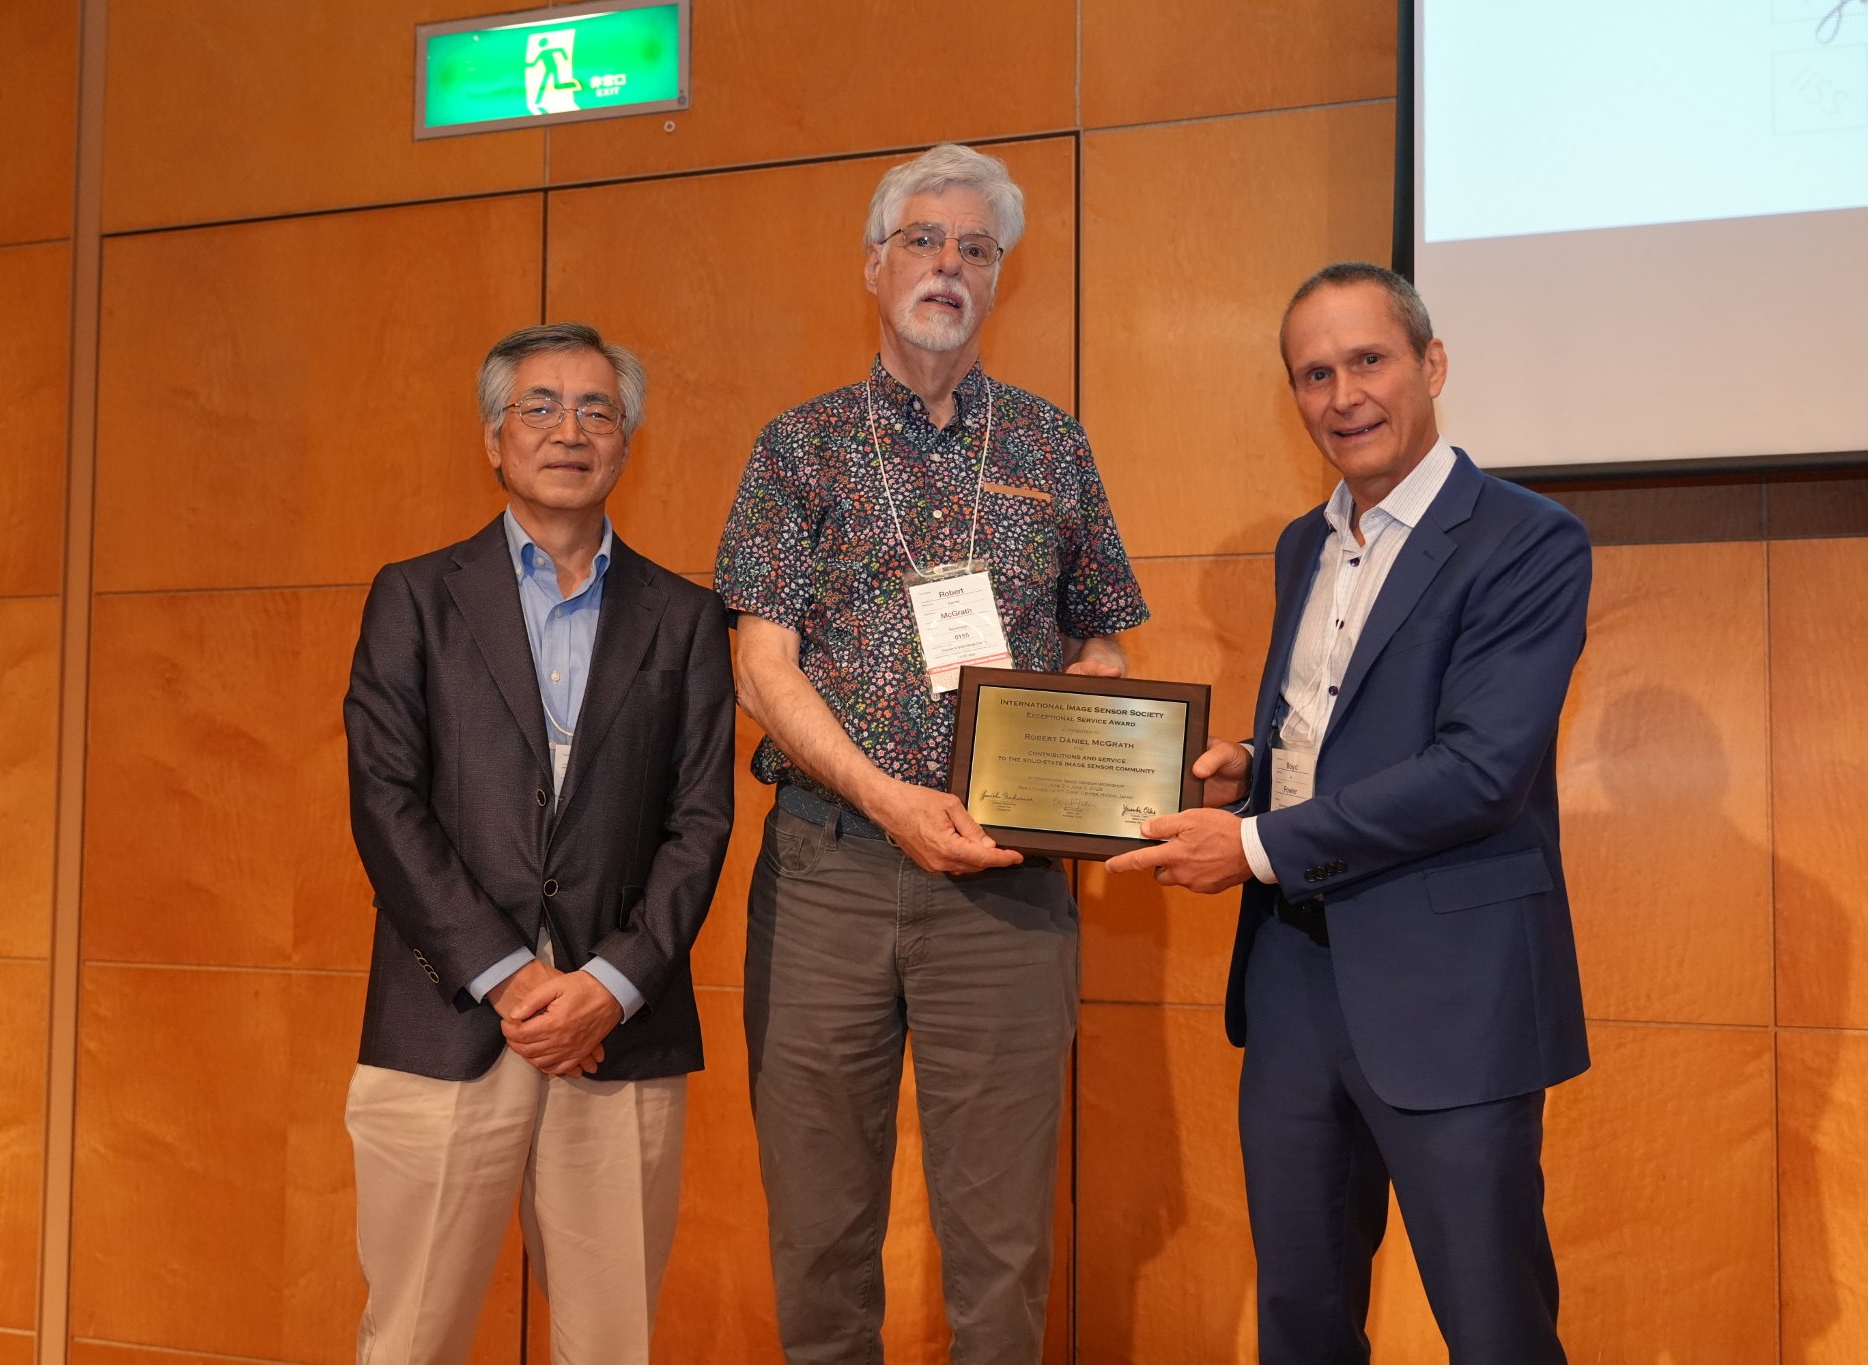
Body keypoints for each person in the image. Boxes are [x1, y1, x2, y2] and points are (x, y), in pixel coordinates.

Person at [1108, 262, 1591, 1364]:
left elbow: (1478, 772)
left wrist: (1253, 843)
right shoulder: (1303, 542)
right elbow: (1331, 727)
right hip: (1292, 980)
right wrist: (1247, 770)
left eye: (1368, 360)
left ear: (1431, 364)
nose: (1342, 396)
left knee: (1494, 1326)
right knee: (1302, 1317)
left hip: (1450, 989)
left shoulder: (1527, 539)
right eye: (1313, 374)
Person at [716, 143, 1149, 1364]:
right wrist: (888, 798)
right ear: (873, 265)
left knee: (1000, 1248)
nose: (946, 264)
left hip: (1005, 889)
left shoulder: (1050, 446)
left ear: (997, 278)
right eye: (921, 239)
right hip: (828, 875)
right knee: (818, 1234)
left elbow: (1105, 642)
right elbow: (761, 665)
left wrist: (1082, 724)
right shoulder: (797, 446)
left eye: (974, 248)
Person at [342, 322, 735, 1364]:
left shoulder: (686, 616)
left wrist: (609, 984)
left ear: (626, 442)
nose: (571, 431)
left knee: (612, 1345)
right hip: (446, 1020)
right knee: (410, 1339)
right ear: (494, 438)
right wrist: (511, 978)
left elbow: (700, 823)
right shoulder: (414, 597)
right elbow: (385, 802)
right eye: (542, 407)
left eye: (597, 410)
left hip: (621, 1032)